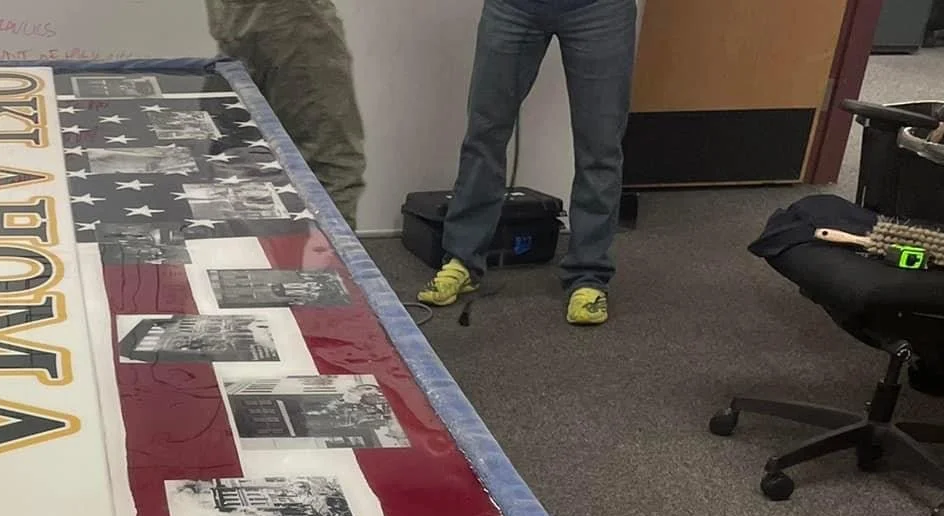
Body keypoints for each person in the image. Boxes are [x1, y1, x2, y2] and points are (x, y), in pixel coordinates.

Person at [418, 0, 639, 326]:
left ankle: (589, 276)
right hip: (514, 7)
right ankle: (463, 259)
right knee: (485, 134)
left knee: (600, 146)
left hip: (600, 9)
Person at [206, 0, 367, 226]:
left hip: (243, 18)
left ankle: (313, 258)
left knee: (239, 162)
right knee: (325, 161)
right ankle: (327, 260)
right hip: (287, 17)